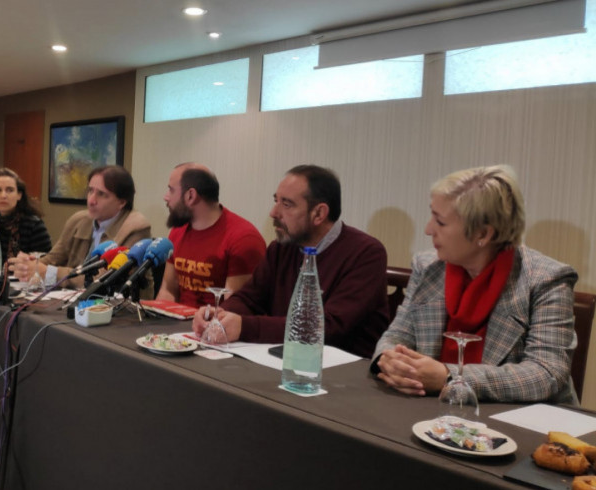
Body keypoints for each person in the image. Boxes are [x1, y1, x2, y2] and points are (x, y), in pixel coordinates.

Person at [372, 165, 578, 404]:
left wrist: (450, 377)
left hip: (515, 418)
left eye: (440, 222)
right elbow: (397, 335)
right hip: (433, 410)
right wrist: (389, 360)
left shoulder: (546, 279)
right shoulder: (427, 266)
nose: (428, 230)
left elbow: (546, 373)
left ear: (483, 234)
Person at [192, 165, 389, 358]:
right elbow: (250, 299)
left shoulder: (366, 253)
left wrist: (245, 327)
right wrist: (219, 314)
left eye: (286, 204)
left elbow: (329, 326)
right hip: (281, 358)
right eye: (276, 201)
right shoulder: (281, 247)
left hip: (340, 367)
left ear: (319, 214)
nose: (273, 212)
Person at [10, 165, 151, 288]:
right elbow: (53, 258)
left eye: (101, 194)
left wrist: (50, 273)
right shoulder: (78, 220)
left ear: (121, 202)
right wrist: (28, 264)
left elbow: (104, 278)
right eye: (90, 191)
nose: (91, 200)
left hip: (119, 305)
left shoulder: (135, 228)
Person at [155, 163, 266, 308]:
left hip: (214, 321)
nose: (166, 197)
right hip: (177, 321)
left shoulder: (243, 239)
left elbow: (236, 309)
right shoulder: (178, 231)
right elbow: (168, 290)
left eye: (171, 190)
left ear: (190, 196)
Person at [0, 168, 51, 265]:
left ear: (19, 195)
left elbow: (45, 264)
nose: (3, 195)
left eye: (9, 190)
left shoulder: (33, 225)